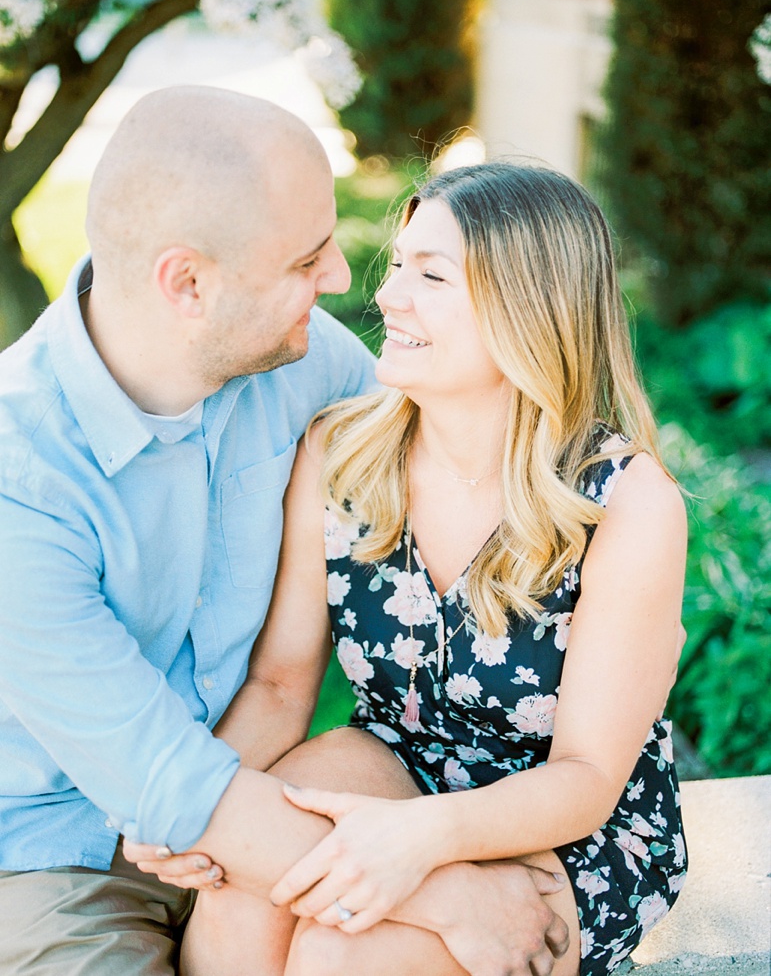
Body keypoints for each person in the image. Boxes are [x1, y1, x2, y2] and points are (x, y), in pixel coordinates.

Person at [131, 161, 688, 976]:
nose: (387, 295)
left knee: (341, 948)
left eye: (429, 275)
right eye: (396, 266)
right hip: (394, 754)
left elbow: (587, 776)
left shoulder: (622, 500)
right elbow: (283, 686)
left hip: (562, 815)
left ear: (527, 306)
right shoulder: (343, 451)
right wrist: (197, 805)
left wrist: (420, 841)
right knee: (244, 886)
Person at [0, 84, 378, 973]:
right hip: (58, 857)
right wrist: (459, 893)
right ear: (189, 283)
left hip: (259, 781)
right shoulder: (18, 475)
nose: (338, 281)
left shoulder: (307, 360)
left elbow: (451, 470)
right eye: (306, 259)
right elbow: (159, 781)